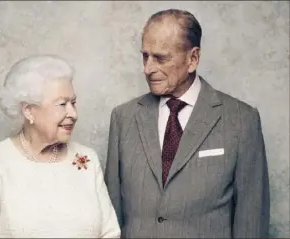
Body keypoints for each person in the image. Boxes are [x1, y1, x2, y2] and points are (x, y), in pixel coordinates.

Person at [104, 9, 269, 238]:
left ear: (193, 58)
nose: (147, 68)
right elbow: (110, 219)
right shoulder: (123, 118)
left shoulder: (241, 120)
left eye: (160, 58)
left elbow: (251, 223)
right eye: (145, 56)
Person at [0, 55, 120, 238]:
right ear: (28, 110)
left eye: (73, 103)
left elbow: (110, 232)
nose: (73, 113)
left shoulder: (86, 158)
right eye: (62, 104)